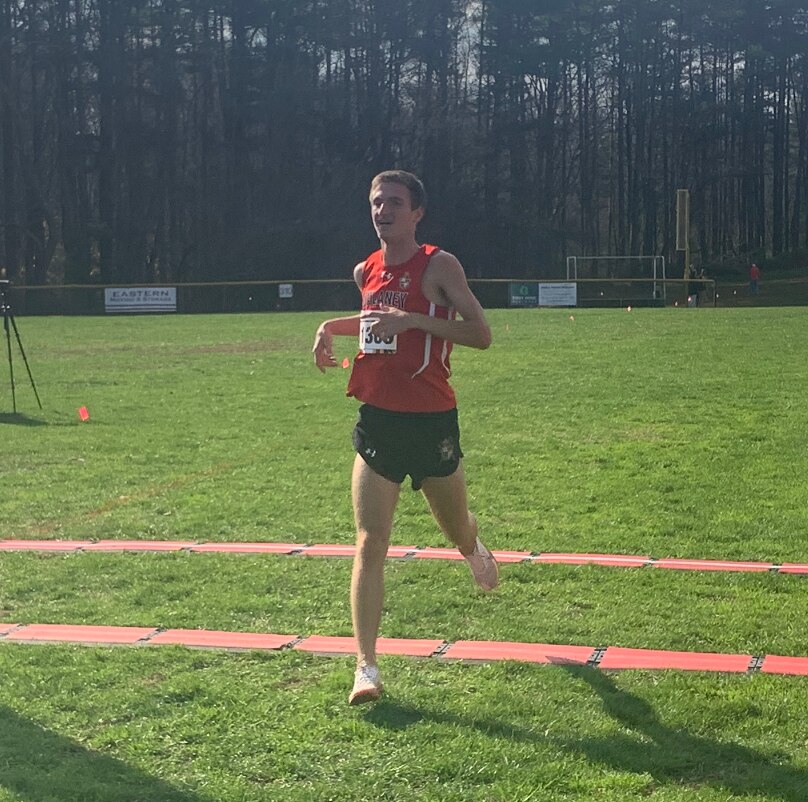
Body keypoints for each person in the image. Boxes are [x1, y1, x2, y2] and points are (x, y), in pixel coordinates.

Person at [312, 170, 498, 705]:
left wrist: (414, 320)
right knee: (370, 542)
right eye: (376, 202)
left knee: (454, 524)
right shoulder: (364, 268)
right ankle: (365, 667)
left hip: (432, 420)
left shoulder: (439, 265)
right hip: (378, 422)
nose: (383, 210)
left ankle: (472, 545)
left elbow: (480, 334)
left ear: (417, 212)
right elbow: (376, 323)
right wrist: (330, 327)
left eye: (394, 202)